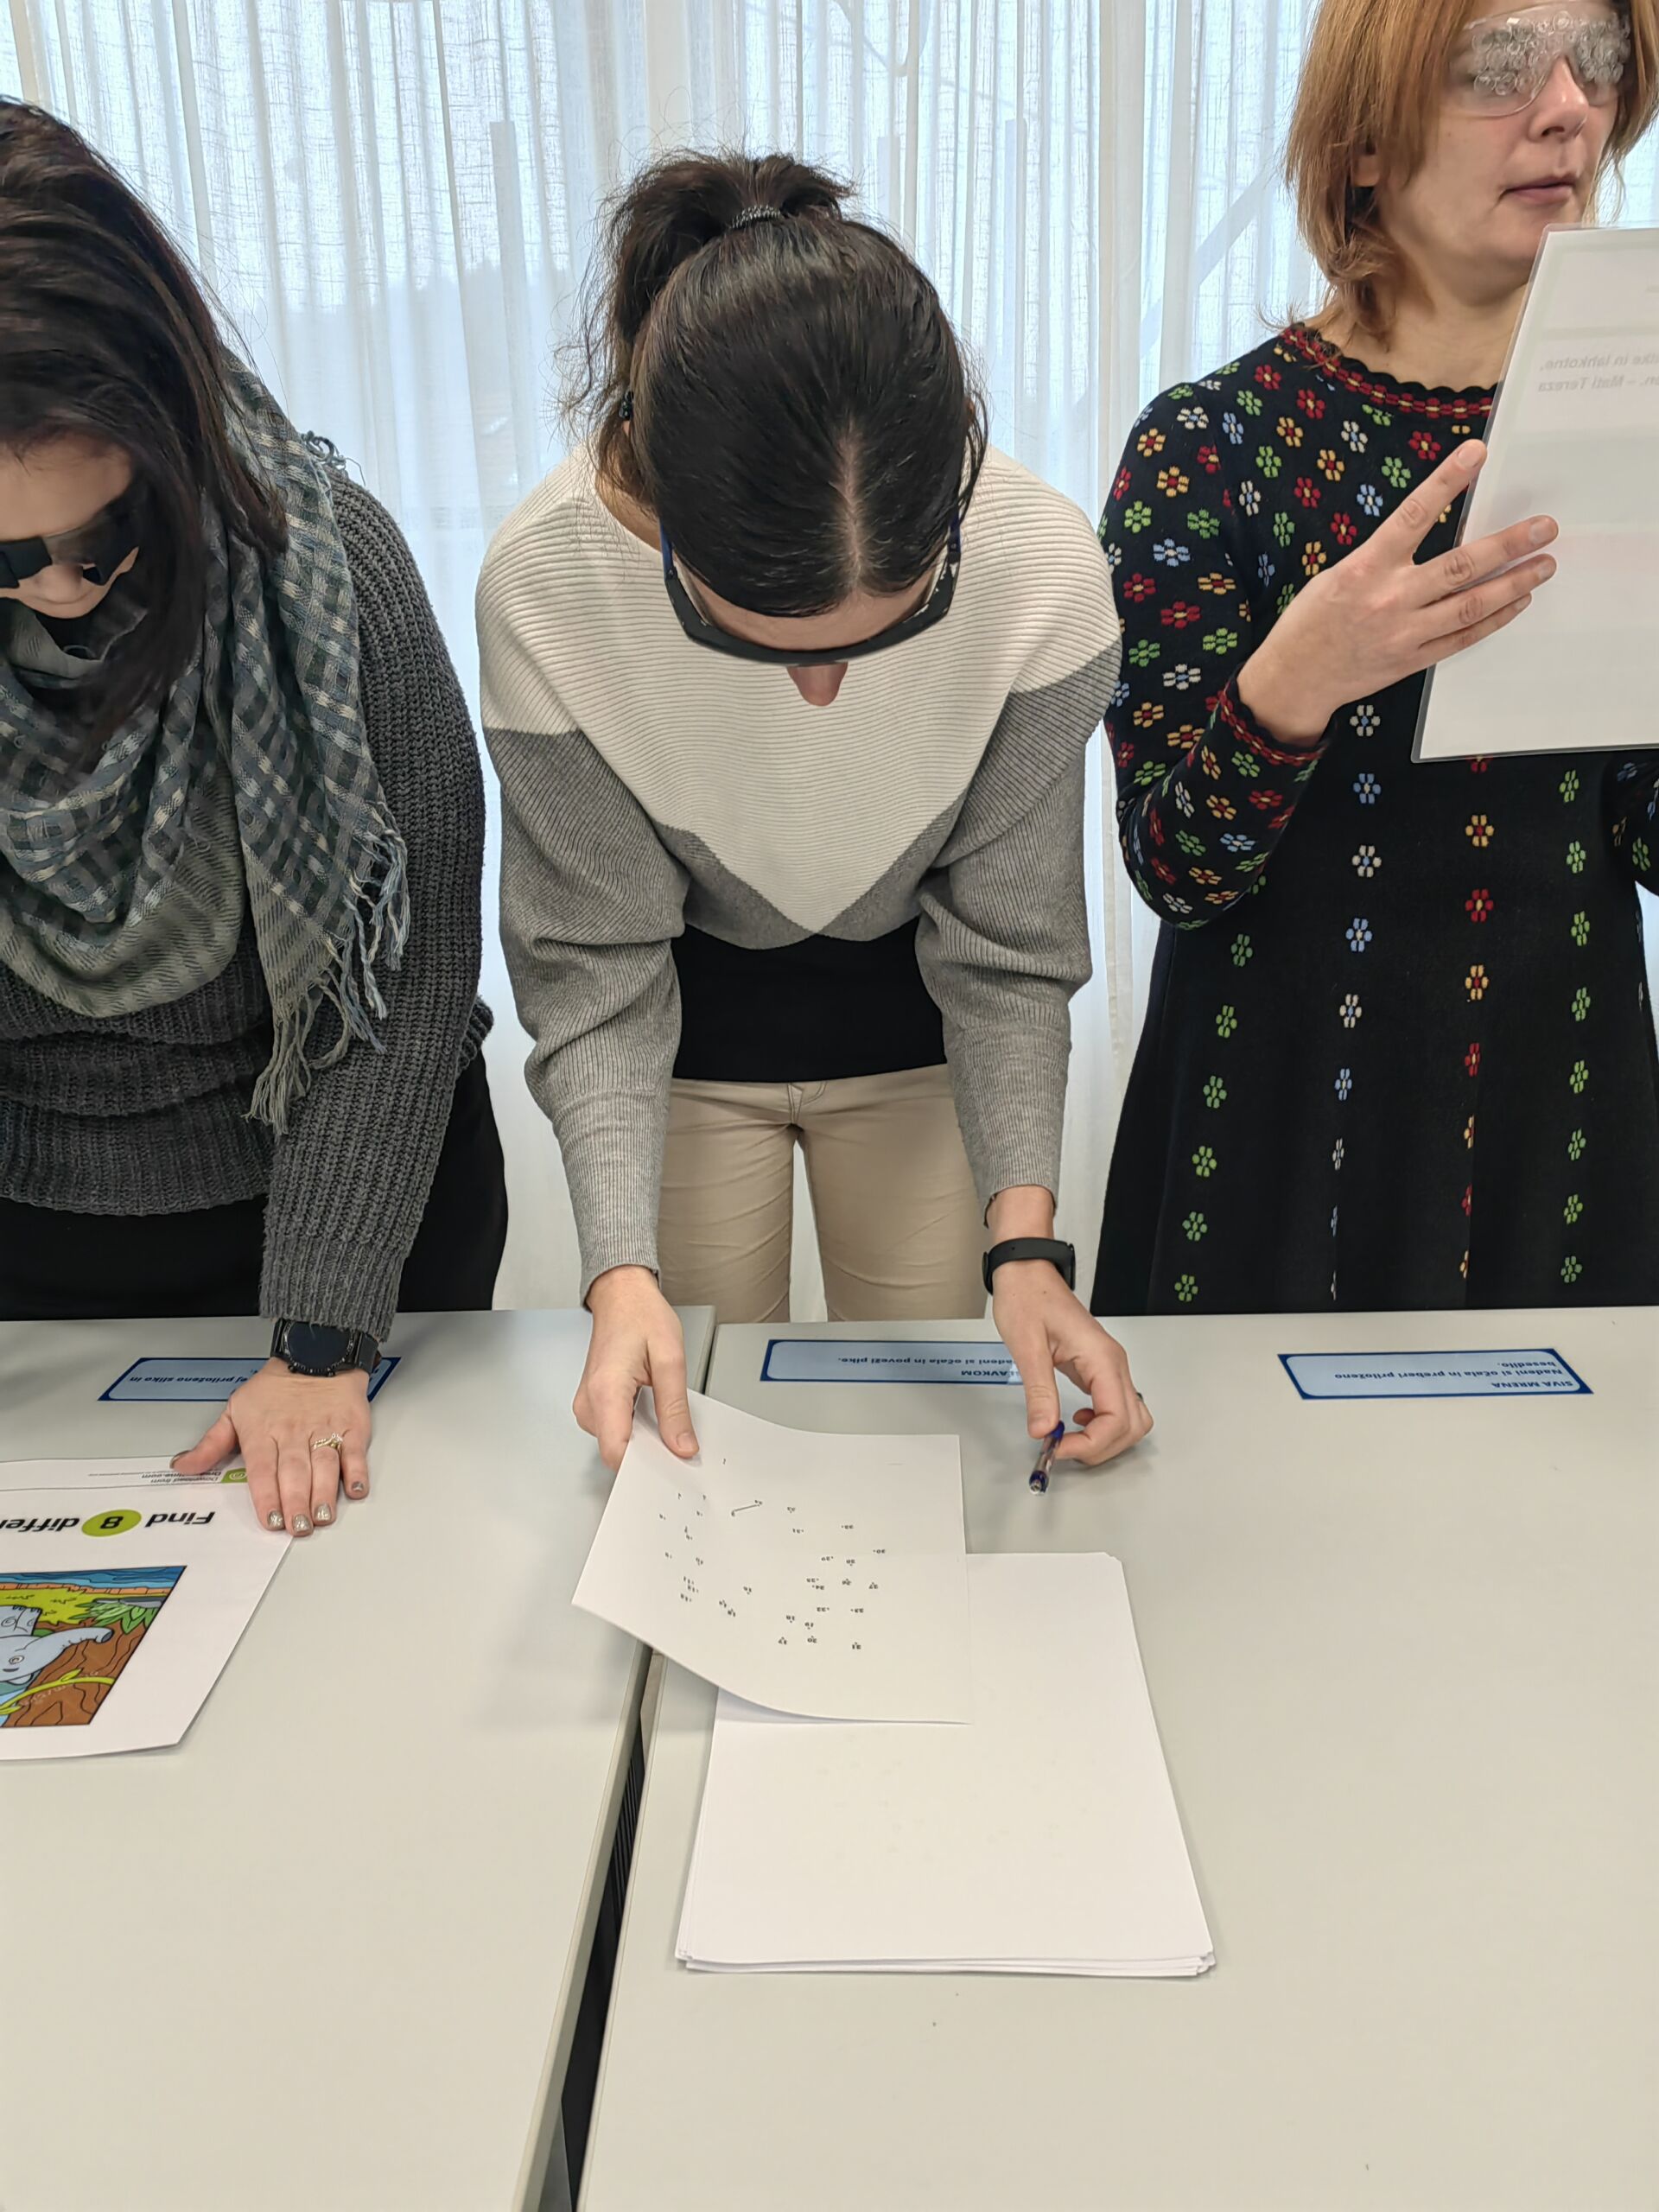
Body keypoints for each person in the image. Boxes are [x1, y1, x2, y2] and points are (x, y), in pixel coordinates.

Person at [480, 150, 1152, 1472]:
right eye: (756, 641)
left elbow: (1009, 950)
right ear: (667, 525)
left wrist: (1028, 1251)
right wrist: (617, 1271)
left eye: (885, 632)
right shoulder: (548, 584)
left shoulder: (1041, 570)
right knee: (698, 1436)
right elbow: (595, 968)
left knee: (935, 1439)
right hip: (678, 1041)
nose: (822, 694)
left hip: (922, 1038)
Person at [1094, 0, 1659, 1316]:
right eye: (1499, 65)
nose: (1567, 108)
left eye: (1598, 64)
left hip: (1561, 1113)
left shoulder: (1637, 435)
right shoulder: (1208, 445)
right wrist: (1294, 684)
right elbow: (1177, 871)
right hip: (1280, 1118)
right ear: (1360, 143)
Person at [0, 103, 507, 1529]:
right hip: (30, 1262)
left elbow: (409, 974)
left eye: (109, 531)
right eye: (7, 555)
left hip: (349, 1238)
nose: (62, 588)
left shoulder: (333, 569)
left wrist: (321, 1337)